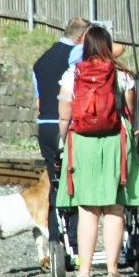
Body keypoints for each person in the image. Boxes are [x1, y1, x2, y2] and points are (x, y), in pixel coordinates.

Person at [56, 26, 139, 277]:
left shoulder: (71, 75)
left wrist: (63, 141)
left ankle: (84, 272)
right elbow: (129, 112)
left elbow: (64, 115)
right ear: (107, 46)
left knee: (87, 210)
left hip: (82, 142)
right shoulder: (123, 76)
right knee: (115, 208)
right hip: (116, 141)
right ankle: (113, 271)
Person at [33, 17, 90, 256]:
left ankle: (56, 241)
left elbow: (38, 103)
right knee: (74, 184)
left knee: (56, 185)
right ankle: (75, 244)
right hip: (64, 125)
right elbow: (115, 50)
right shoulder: (76, 52)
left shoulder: (40, 62)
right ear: (83, 37)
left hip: (44, 126)